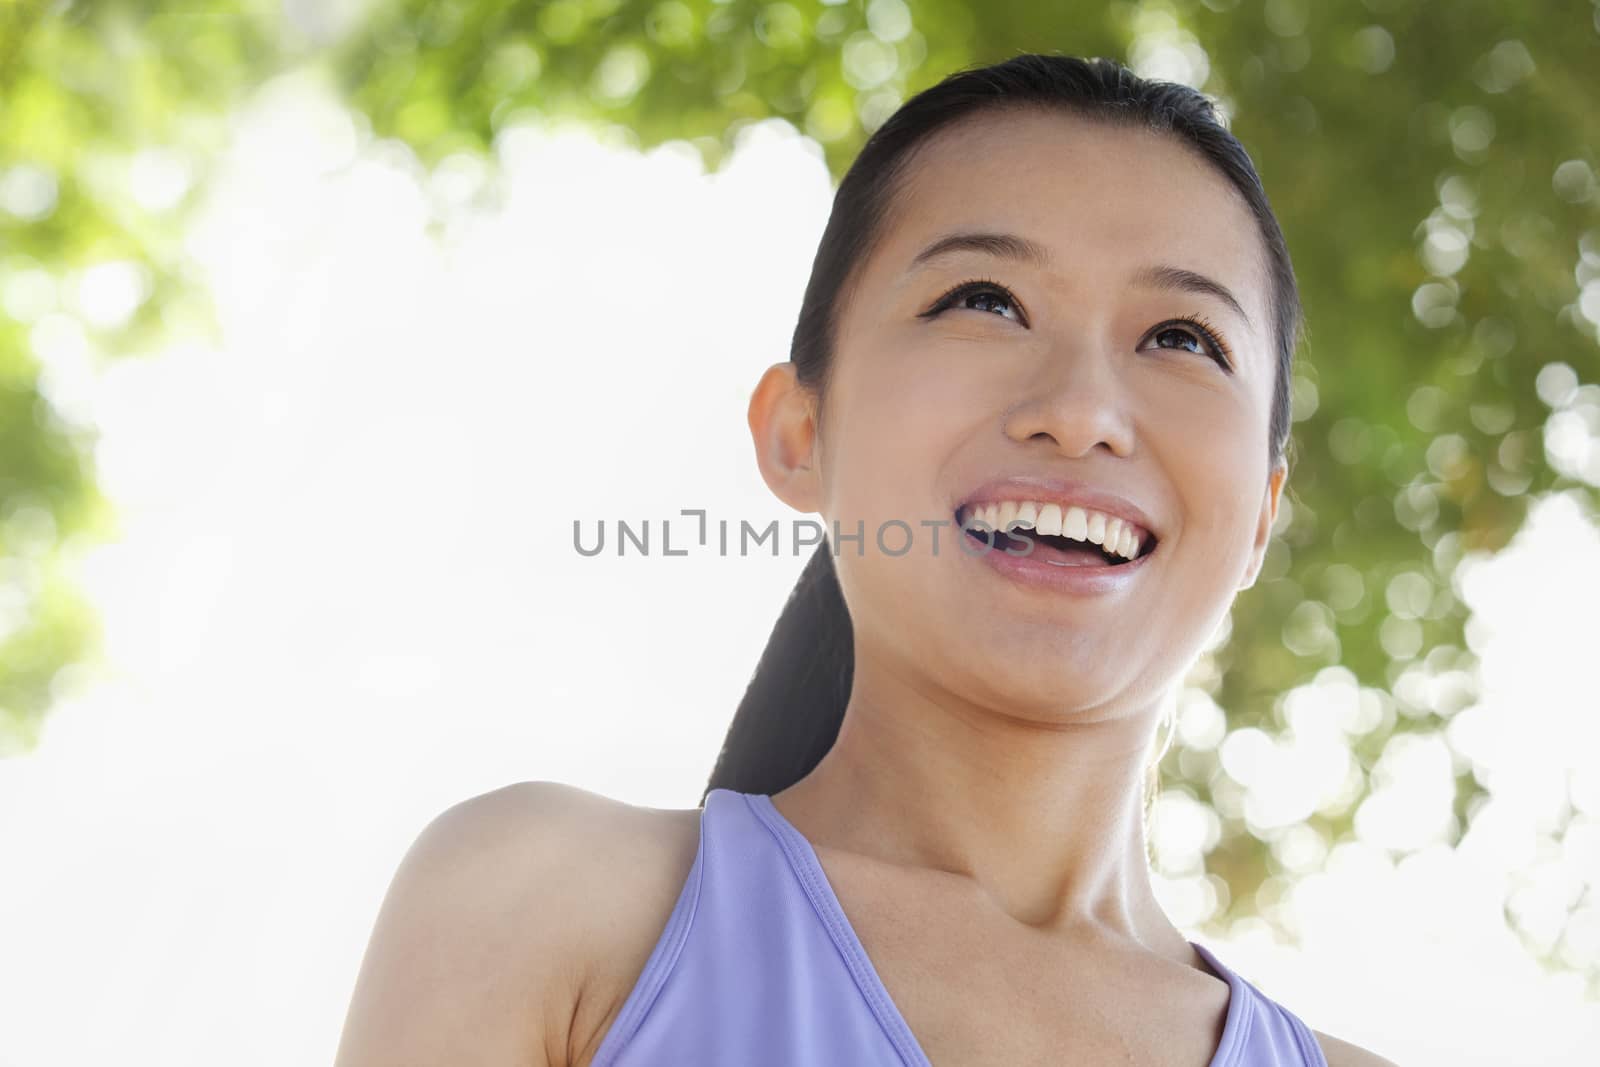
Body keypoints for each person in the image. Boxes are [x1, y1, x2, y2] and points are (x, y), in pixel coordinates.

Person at [335, 54, 1400, 1066]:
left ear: (1263, 509)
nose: (1080, 413)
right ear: (798, 433)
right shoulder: (544, 905)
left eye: (1182, 337)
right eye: (983, 301)